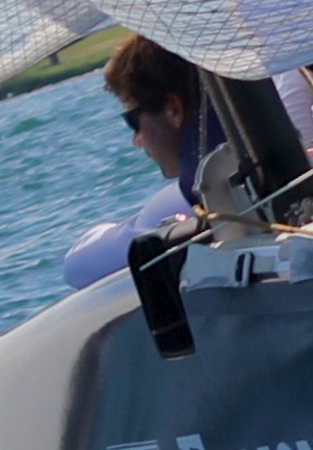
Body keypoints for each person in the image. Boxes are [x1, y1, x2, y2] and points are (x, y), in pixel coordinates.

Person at [60, 34, 216, 287]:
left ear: (173, 109)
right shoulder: (267, 148)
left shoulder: (193, 195)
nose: (137, 140)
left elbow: (77, 267)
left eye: (133, 121)